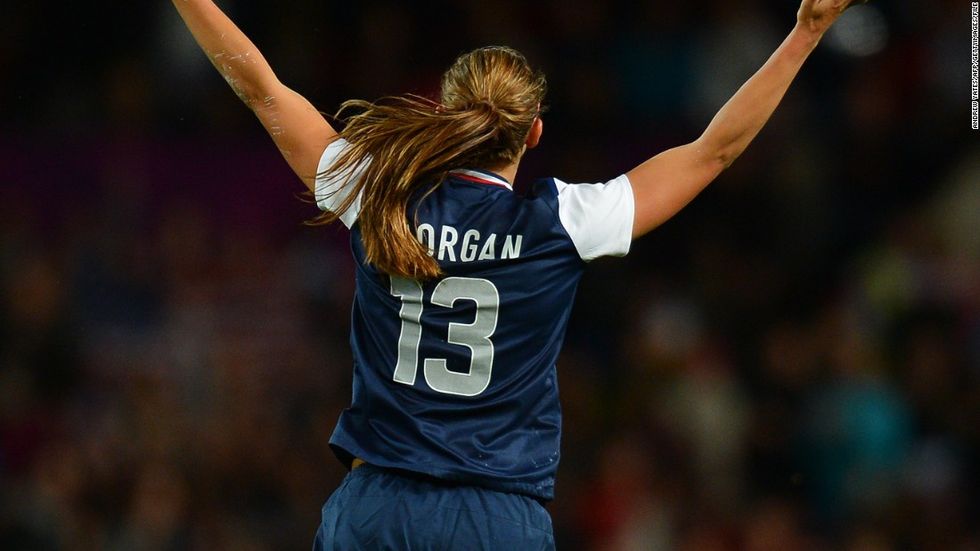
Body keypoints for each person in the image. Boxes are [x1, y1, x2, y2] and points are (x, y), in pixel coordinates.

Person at [172, 0, 866, 548]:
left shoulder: (376, 191)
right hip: (496, 518)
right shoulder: (563, 221)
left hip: (377, 508)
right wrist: (805, 32)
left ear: (447, 114)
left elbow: (261, 90)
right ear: (534, 131)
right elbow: (714, 151)